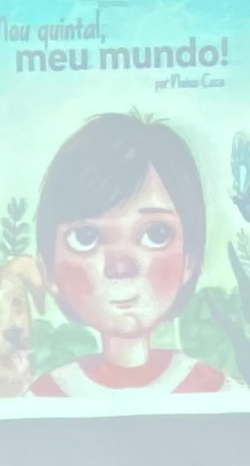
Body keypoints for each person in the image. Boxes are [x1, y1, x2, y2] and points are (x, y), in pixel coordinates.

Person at [28, 112, 234, 399]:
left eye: (156, 234)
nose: (120, 266)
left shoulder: (214, 390)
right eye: (86, 238)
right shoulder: (44, 396)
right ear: (48, 271)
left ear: (190, 259)